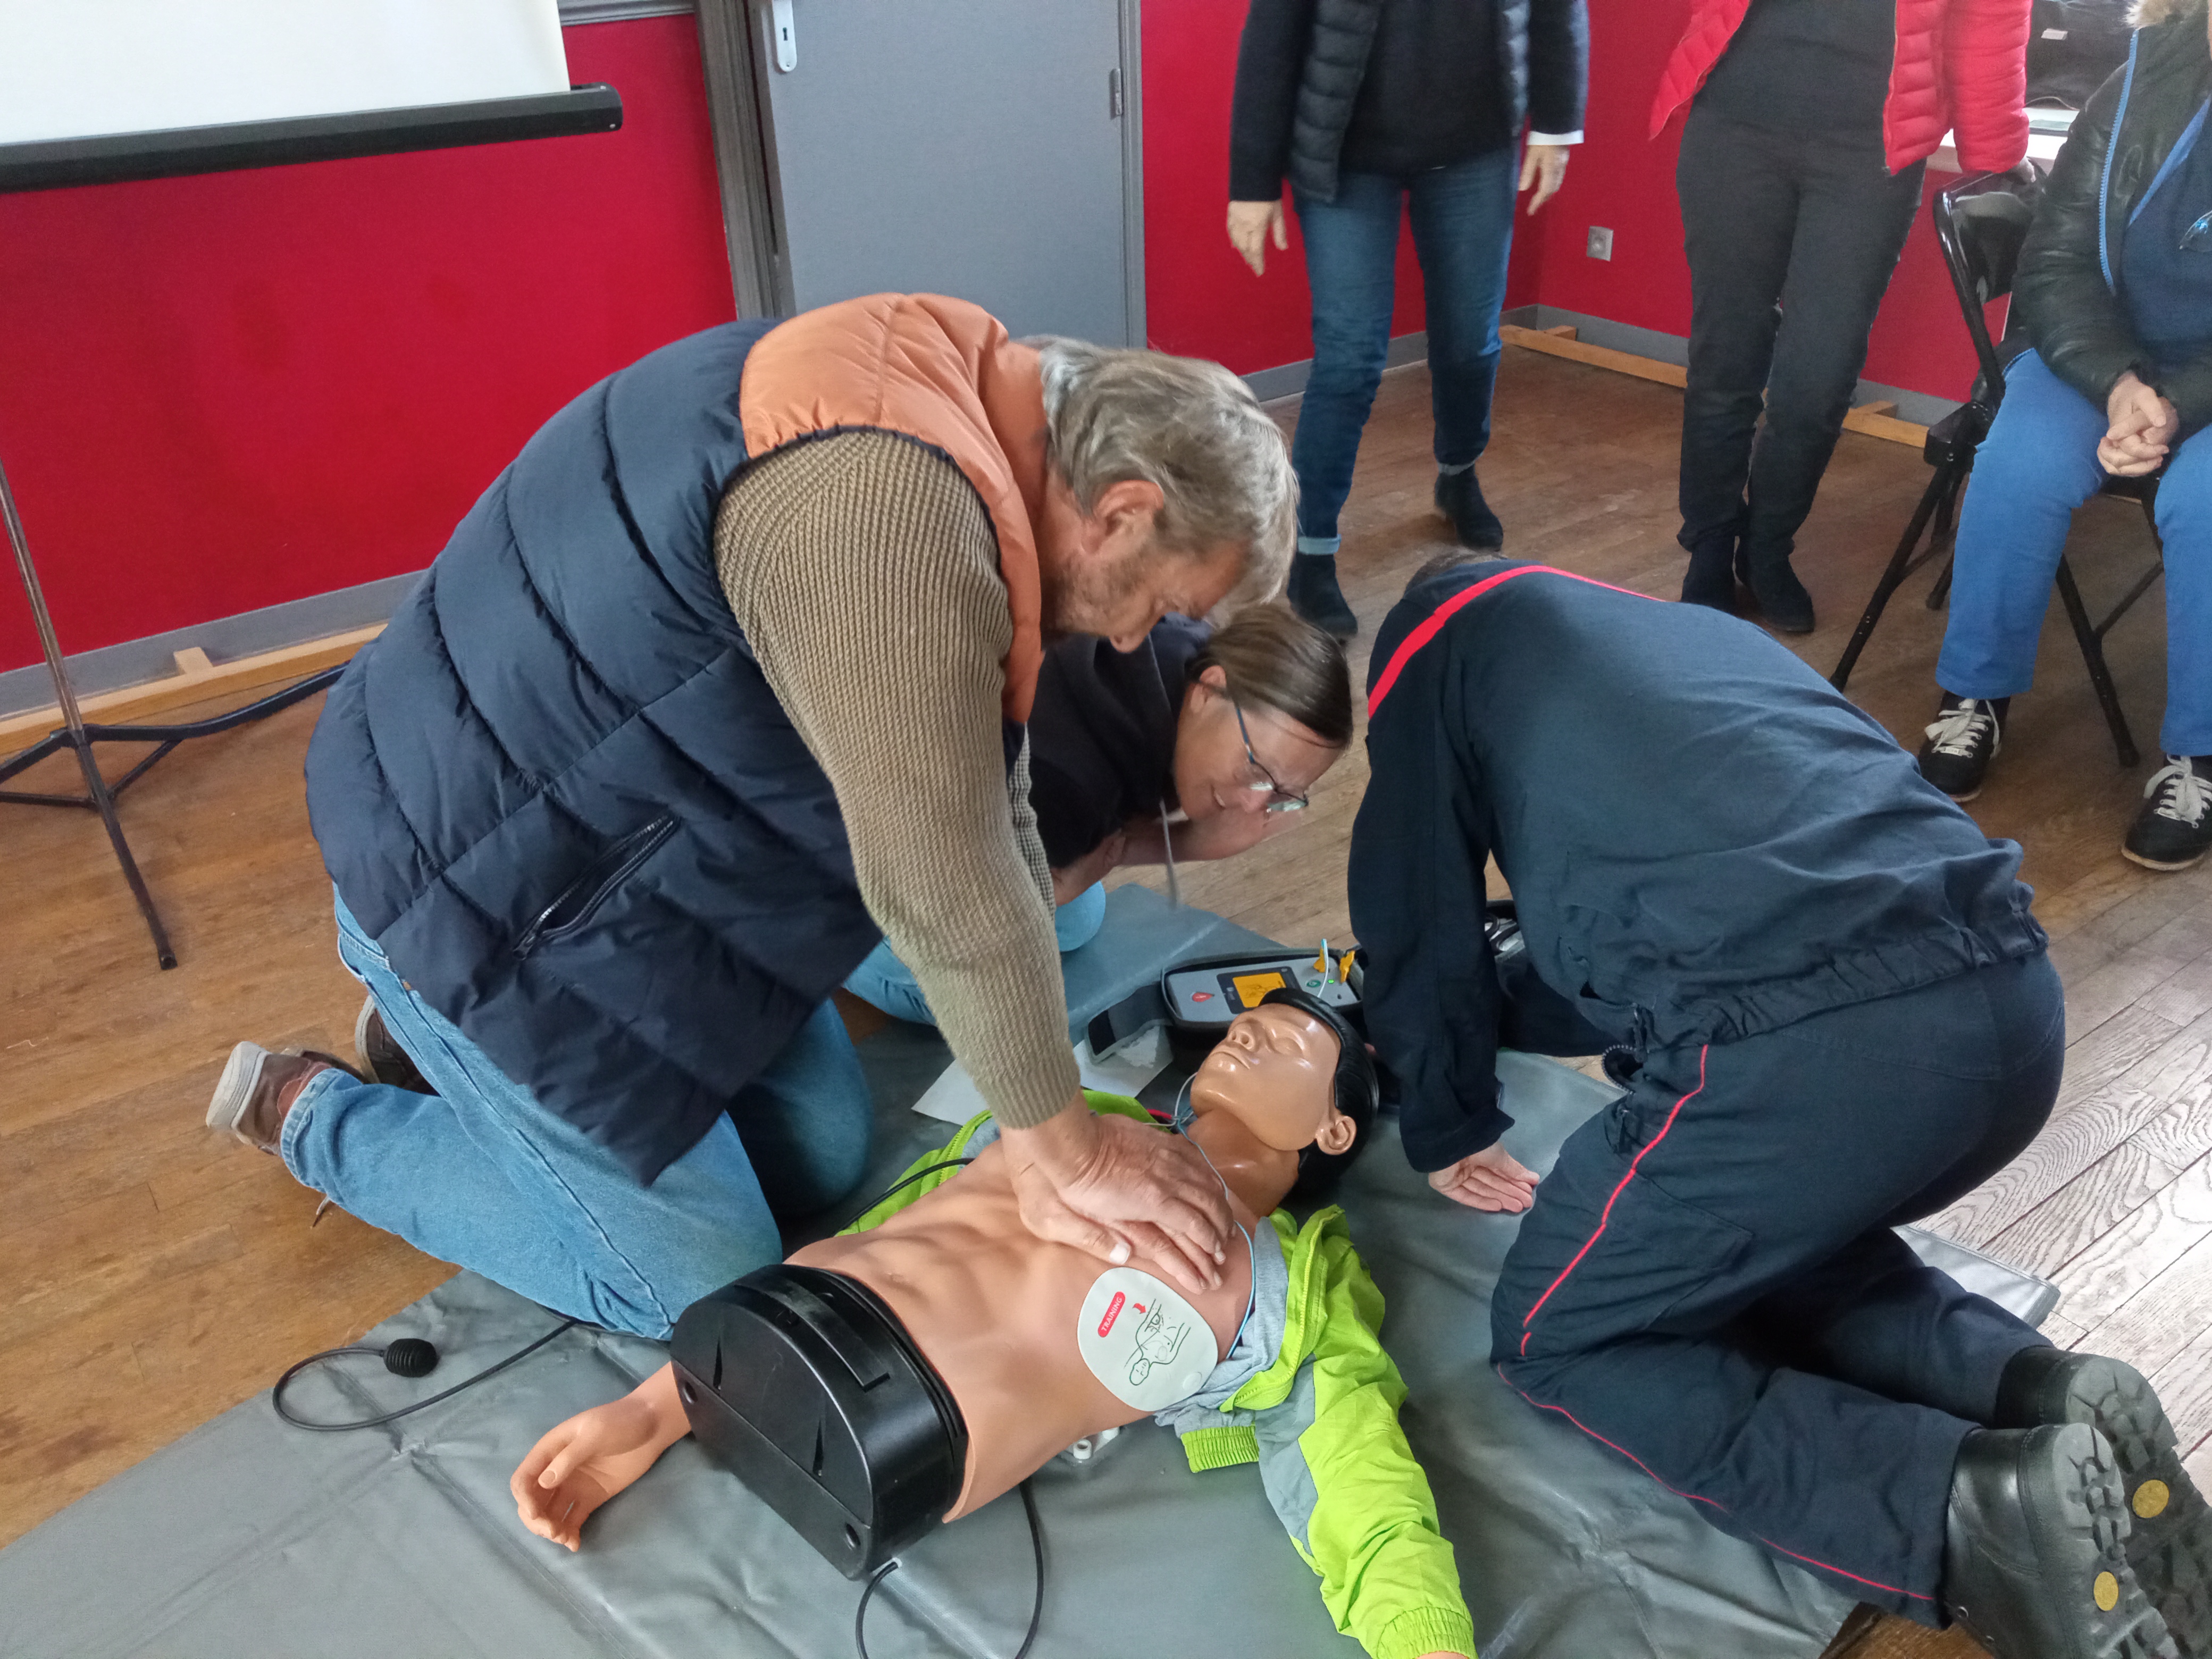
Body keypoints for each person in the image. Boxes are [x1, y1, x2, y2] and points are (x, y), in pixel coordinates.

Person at [205, 294, 1297, 1340]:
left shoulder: (959, 404)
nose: (1132, 641)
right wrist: (1068, 1151)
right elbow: (940, 880)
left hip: (608, 857)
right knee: (700, 1285)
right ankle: (314, 1113)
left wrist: (1052, 1124)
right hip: (479, 889)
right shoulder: (886, 519)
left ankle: (437, 1043)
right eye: (1162, 604)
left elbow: (985, 802)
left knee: (819, 1157)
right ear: (1121, 512)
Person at [1350, 553, 2206, 1657]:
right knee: (1758, 1242)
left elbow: (1414, 920)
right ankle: (2034, 1393)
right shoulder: (1684, 642)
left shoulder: (1431, 654)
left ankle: (1962, 1505)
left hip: (1820, 1069)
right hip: (2011, 1011)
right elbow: (1666, 914)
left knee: (1561, 1333)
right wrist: (1497, 1012)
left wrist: (1447, 1117)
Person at [508, 990, 1476, 1659]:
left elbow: (1361, 1479)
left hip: (905, 1436)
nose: (1247, 1036)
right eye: (1249, 1022)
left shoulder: (1290, 1294)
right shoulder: (1068, 1115)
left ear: (1335, 1131)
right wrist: (660, 1404)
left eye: (1291, 1041)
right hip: (765, 1323)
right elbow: (892, 1233)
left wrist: (1426, 1639)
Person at [1917, 0, 2212, 874]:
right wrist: (2122, 384)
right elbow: (2057, 261)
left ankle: (2195, 757)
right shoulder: (2130, 92)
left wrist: (2171, 404)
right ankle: (1975, 694)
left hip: (2197, 384)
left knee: (2205, 503)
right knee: (2015, 465)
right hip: (2107, 358)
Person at [1655, 0, 2033, 631]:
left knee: (1818, 378)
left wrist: (1993, 152)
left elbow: (1988, 18)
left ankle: (1767, 549)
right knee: (1726, 355)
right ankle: (1710, 545)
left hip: (1869, 155)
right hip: (1734, 126)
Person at [1226, 0, 1589, 639]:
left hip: (1474, 147)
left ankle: (1457, 472)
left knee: (1469, 344)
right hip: (1343, 156)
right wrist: (1251, 184)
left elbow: (1559, 10)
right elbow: (1270, 40)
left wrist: (1556, 125)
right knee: (1347, 362)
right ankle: (1310, 552)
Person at [842, 604, 1352, 1026]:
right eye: (1257, 769)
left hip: (951, 785)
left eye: (1285, 794)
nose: (1252, 804)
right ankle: (837, 942)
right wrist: (1054, 891)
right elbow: (977, 912)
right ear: (1209, 690)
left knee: (1081, 918)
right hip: (856, 831)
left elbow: (1104, 846)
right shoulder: (1068, 783)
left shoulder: (1181, 650)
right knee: (981, 1006)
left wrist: (1185, 842)